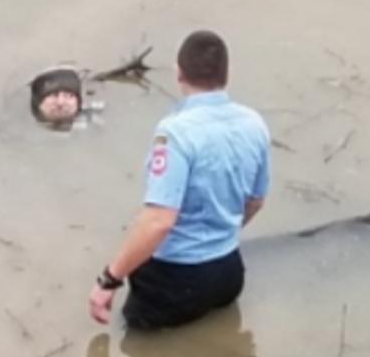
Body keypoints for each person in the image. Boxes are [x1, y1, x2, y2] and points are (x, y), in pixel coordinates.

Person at [89, 30, 270, 330]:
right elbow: (256, 201)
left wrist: (109, 280)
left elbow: (160, 221)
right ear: (228, 73)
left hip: (174, 282)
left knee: (135, 351)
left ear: (178, 72)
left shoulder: (174, 134)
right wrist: (218, 235)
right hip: (229, 274)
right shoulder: (254, 123)